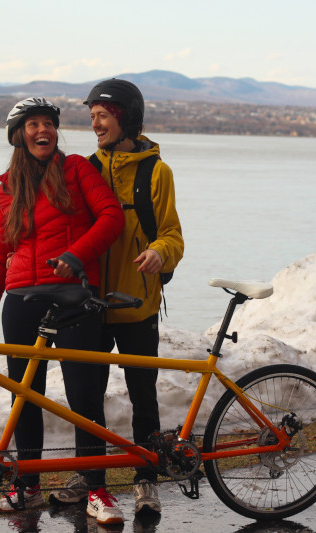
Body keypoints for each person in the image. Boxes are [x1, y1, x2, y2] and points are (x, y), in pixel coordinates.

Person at [0, 97, 126, 525]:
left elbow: (112, 218)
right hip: (21, 298)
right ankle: (26, 485)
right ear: (19, 135)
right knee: (25, 396)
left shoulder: (77, 168)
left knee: (83, 395)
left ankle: (96, 490)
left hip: (75, 296)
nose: (43, 131)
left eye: (48, 124)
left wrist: (77, 255)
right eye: (33, 125)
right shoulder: (7, 187)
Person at [49, 79, 184, 516]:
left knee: (143, 395)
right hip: (90, 306)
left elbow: (173, 236)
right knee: (87, 398)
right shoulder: (84, 167)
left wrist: (159, 253)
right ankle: (91, 477)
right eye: (91, 118)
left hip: (137, 305)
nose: (95, 125)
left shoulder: (156, 172)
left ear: (124, 117)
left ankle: (146, 479)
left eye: (102, 116)